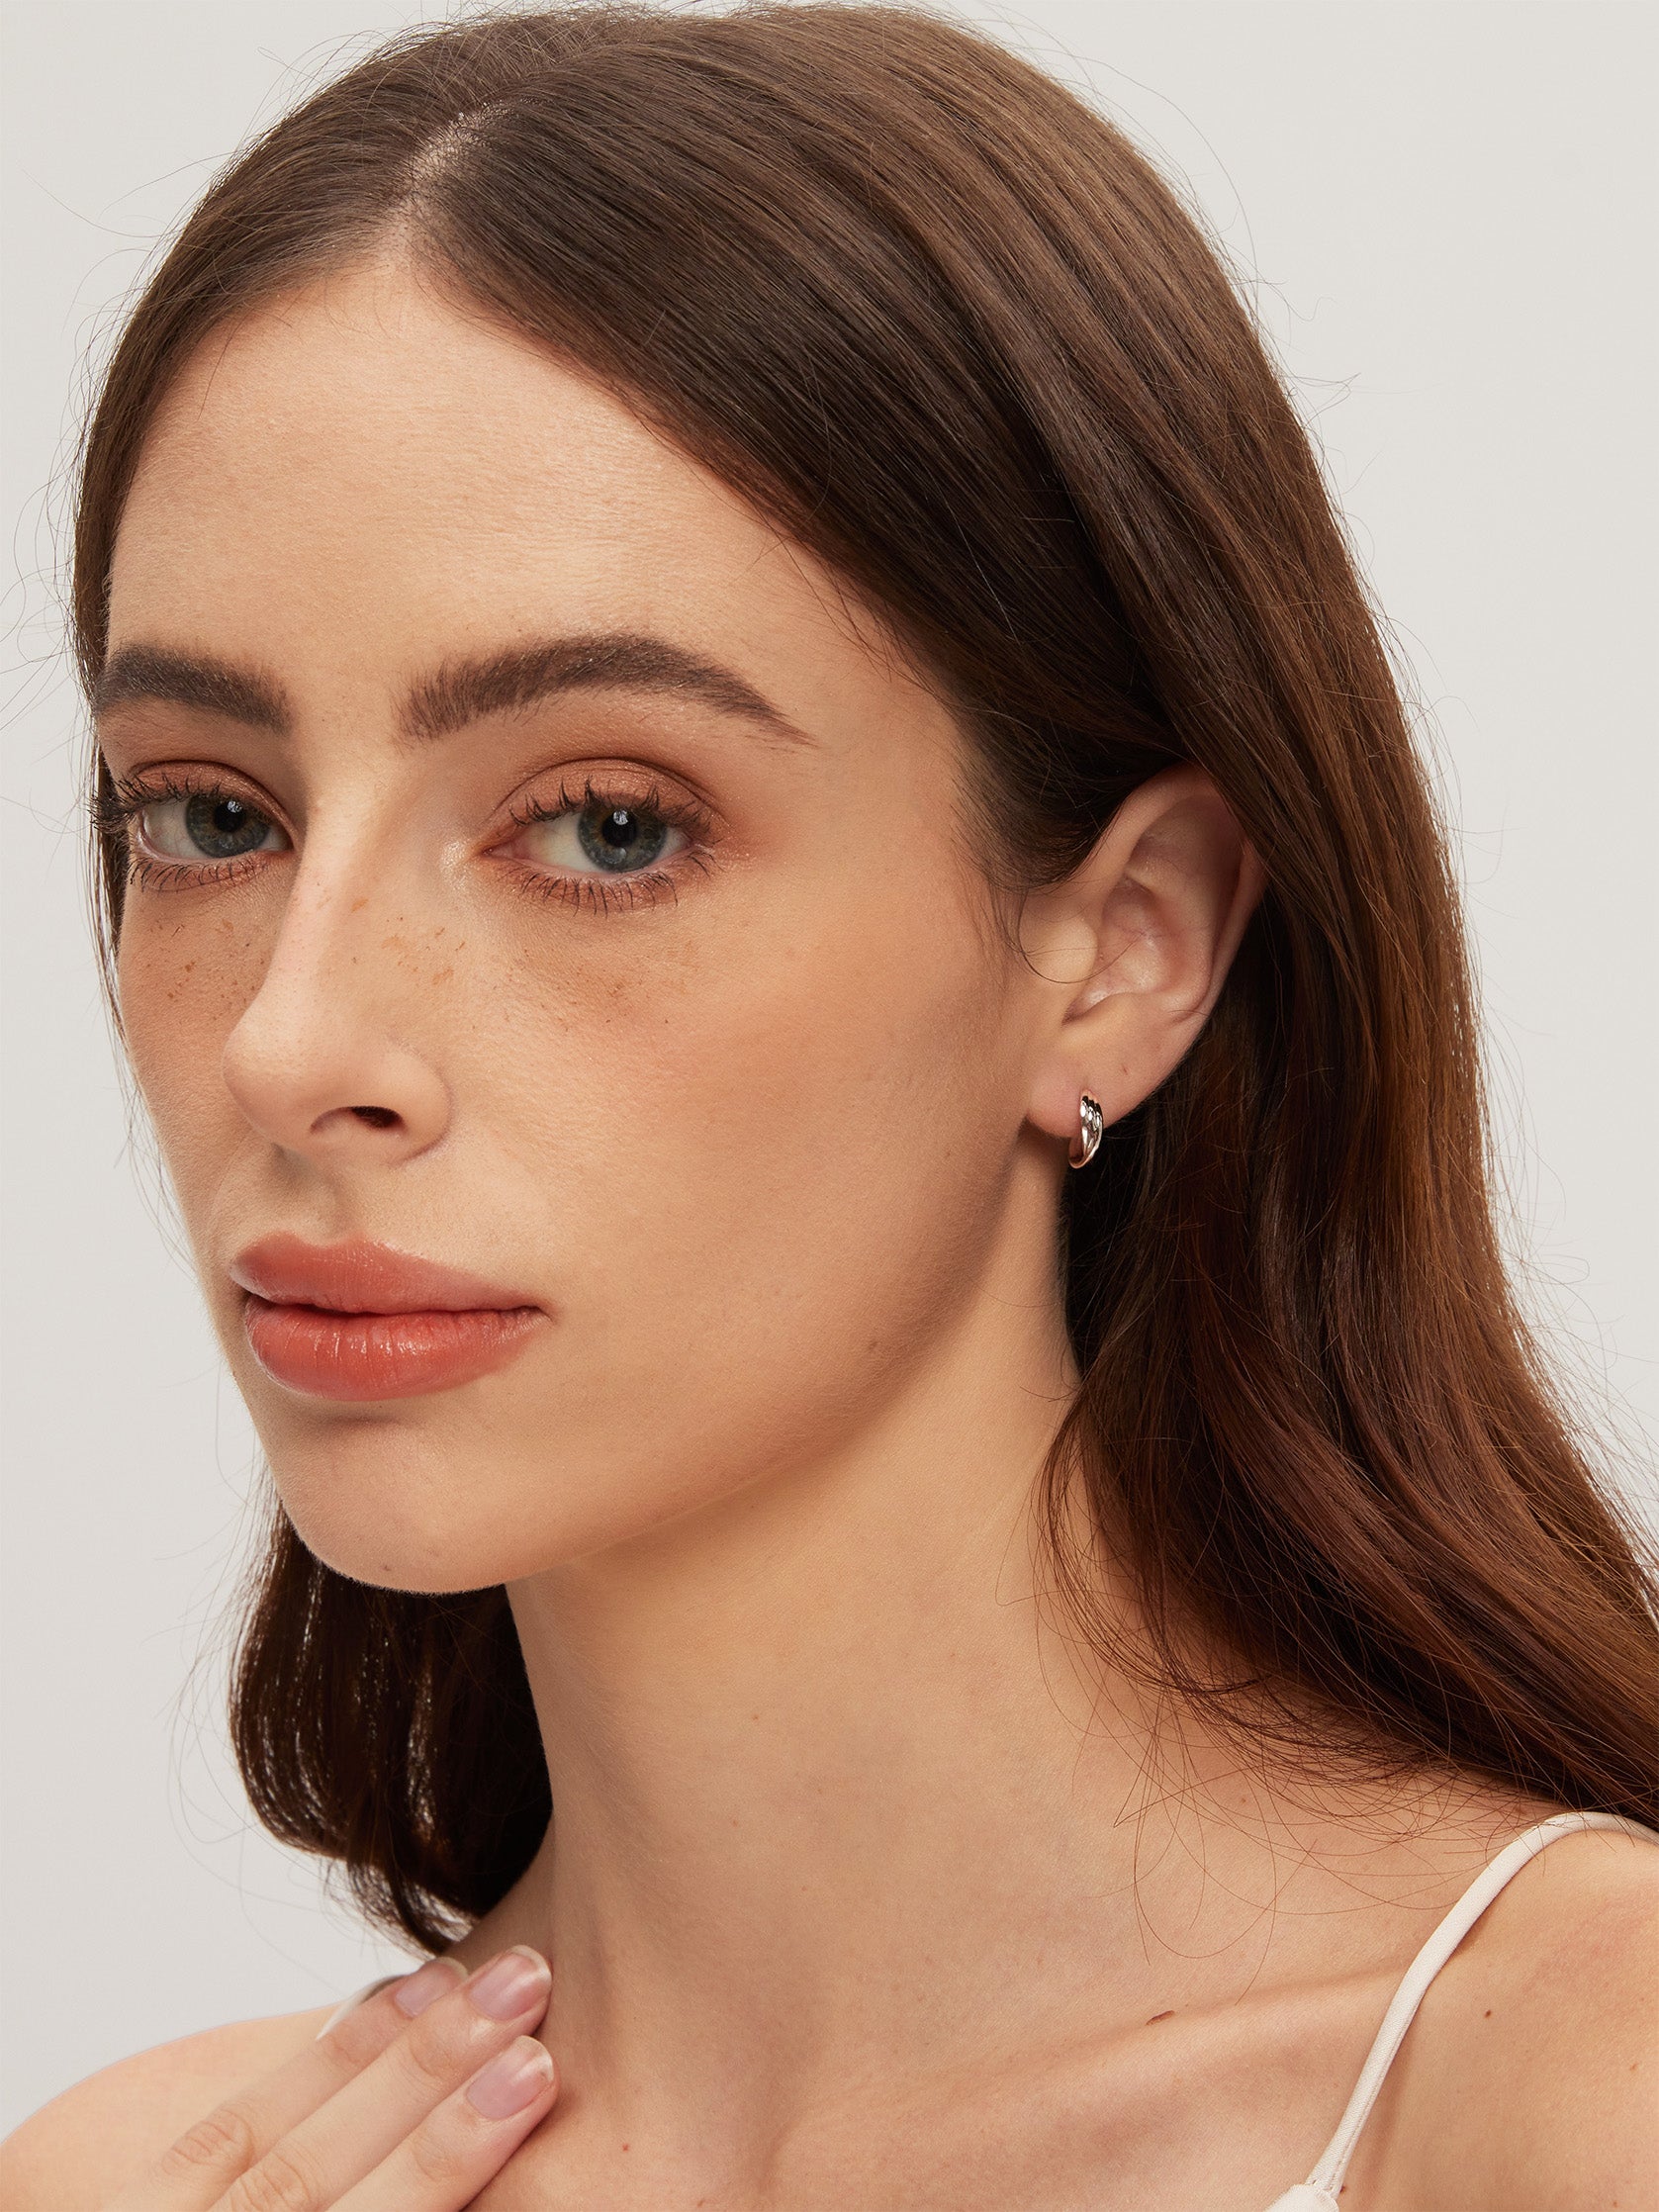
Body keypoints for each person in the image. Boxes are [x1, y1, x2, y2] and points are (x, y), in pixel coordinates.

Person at [3, 6, 1655, 2206]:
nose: (294, 1042)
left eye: (602, 827)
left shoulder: (1563, 2098)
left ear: (1124, 943)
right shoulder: (135, 2179)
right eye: (211, 813)